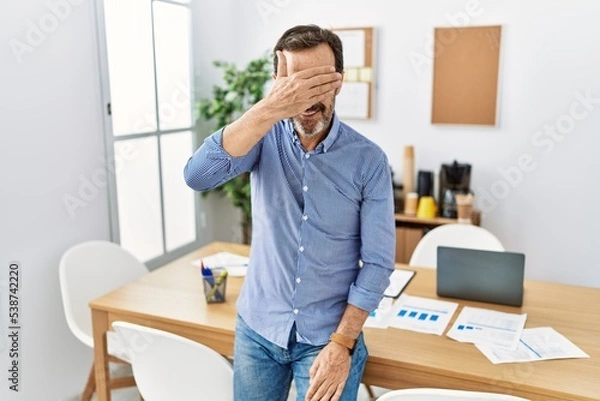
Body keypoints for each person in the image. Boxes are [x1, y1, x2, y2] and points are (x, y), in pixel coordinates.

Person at [184, 24, 395, 401]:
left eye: (318, 82)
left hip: (328, 337)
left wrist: (342, 344)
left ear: (339, 83)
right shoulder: (261, 137)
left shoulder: (370, 161)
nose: (307, 98)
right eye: (297, 85)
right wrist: (269, 109)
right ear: (279, 86)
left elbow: (378, 264)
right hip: (259, 328)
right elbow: (197, 175)